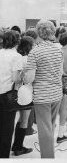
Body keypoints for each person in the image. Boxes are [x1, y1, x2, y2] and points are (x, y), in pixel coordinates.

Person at [24, 20, 63, 158]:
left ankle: (47, 158)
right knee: (50, 127)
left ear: (38, 33)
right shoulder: (58, 50)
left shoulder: (35, 52)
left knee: (44, 130)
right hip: (56, 94)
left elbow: (30, 78)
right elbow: (60, 73)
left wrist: (24, 74)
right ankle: (49, 153)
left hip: (42, 96)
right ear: (52, 32)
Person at [0, 30, 23, 158]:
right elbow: (15, 79)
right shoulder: (16, 56)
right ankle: (3, 156)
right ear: (17, 41)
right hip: (7, 95)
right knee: (7, 128)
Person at [11, 36, 34, 156]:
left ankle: (16, 145)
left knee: (19, 120)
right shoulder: (28, 59)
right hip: (26, 92)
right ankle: (18, 147)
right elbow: (28, 78)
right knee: (24, 120)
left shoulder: (17, 57)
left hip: (15, 92)